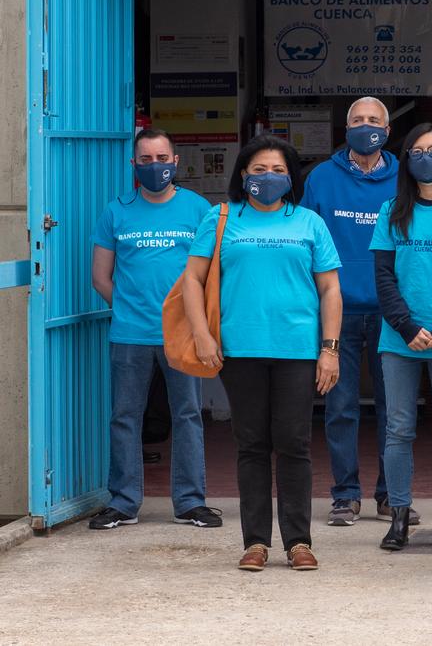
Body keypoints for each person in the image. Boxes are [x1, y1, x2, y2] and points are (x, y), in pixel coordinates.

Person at [183, 135, 342, 571]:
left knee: (294, 444)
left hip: (297, 350)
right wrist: (201, 334)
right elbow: (192, 281)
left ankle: (298, 542)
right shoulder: (221, 218)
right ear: (243, 175)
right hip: (239, 349)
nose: (267, 178)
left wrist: (330, 349)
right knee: (251, 445)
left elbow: (330, 288)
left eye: (277, 170)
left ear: (290, 178)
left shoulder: (309, 222)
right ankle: (255, 542)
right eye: (258, 170)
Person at [89, 128, 219, 531]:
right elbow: (100, 277)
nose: (154, 166)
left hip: (183, 335)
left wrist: (199, 326)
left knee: (188, 415)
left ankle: (190, 502)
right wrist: (129, 308)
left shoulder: (199, 209)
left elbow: (212, 274)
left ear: (175, 161)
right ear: (133, 165)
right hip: (130, 335)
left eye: (161, 158)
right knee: (125, 417)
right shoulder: (117, 211)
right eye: (145, 160)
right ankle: (124, 503)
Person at [301, 96, 413, 527]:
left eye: (374, 121)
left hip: (392, 311)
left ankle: (390, 495)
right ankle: (345, 495)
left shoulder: (405, 178)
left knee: (394, 408)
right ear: (344, 128)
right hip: (339, 311)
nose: (365, 126)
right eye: (357, 120)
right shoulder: (321, 179)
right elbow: (308, 240)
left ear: (388, 131)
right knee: (341, 406)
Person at [371, 123, 432, 551]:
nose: (427, 157)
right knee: (399, 429)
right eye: (417, 150)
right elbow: (384, 278)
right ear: (405, 159)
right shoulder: (392, 210)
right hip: (399, 339)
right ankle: (399, 515)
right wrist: (407, 327)